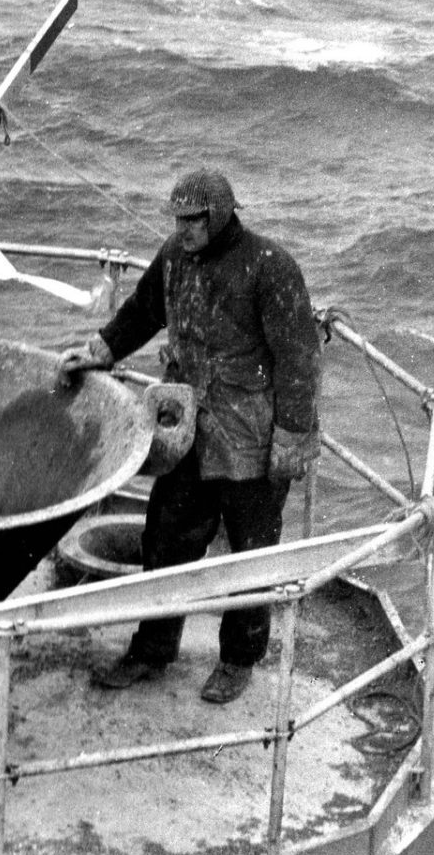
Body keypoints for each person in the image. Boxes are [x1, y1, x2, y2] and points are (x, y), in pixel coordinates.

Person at [59, 168, 321, 704]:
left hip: (251, 439)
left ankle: (237, 661)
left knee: (249, 559)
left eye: (192, 221)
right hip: (190, 434)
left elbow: (299, 357)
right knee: (165, 542)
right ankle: (152, 649)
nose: (182, 231)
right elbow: (143, 310)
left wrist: (291, 439)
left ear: (220, 215)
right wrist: (101, 351)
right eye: (177, 221)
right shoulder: (175, 256)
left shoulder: (270, 268)